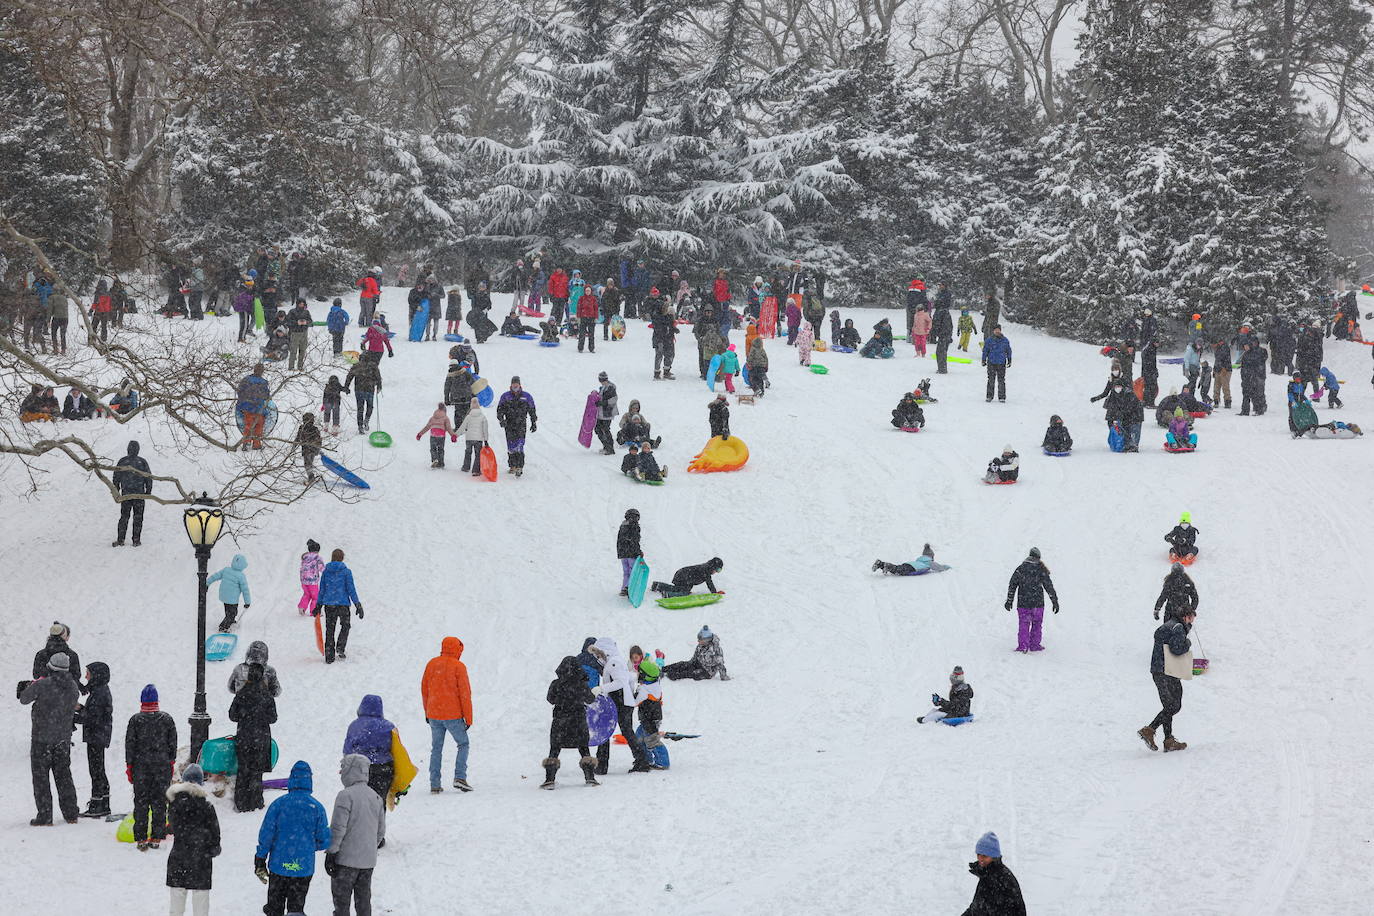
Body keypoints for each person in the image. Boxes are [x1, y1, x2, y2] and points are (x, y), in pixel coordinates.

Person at [255, 760, 332, 916]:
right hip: (303, 868)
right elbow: (323, 840)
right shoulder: (316, 807)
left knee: (274, 907)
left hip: (279, 866)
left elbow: (266, 834)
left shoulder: (278, 805)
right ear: (309, 780)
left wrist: (260, 856)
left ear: (291, 779)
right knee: (296, 908)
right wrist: (308, 845)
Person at [20, 652, 81, 826]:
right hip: (63, 739)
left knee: (41, 778)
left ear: (50, 667)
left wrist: (32, 686)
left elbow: (24, 698)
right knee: (64, 776)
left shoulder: (42, 685)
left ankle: (45, 815)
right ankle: (71, 813)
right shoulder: (73, 688)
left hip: (41, 739)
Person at [326, 754, 386, 915]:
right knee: (363, 902)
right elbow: (380, 832)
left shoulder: (345, 795)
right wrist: (369, 847)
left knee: (342, 904)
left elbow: (338, 828)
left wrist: (332, 852)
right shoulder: (376, 797)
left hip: (345, 861)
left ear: (350, 771)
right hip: (367, 862)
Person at [587, 638, 652, 774]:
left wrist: (601, 688)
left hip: (620, 703)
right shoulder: (615, 661)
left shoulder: (614, 662)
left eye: (599, 654)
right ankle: (640, 760)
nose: (598, 657)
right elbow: (628, 679)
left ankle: (640, 761)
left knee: (617, 732)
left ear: (605, 651)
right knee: (620, 732)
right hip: (620, 702)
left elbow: (620, 682)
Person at [126, 684, 178, 849]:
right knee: (159, 803)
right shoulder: (167, 719)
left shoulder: (135, 720)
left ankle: (141, 837)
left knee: (140, 803)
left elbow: (130, 745)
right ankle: (156, 836)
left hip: (141, 767)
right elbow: (172, 744)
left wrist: (130, 766)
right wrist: (170, 761)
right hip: (161, 766)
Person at [166, 764, 220, 916]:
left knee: (177, 898)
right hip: (201, 858)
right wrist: (212, 848)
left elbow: (173, 828)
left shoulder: (174, 804)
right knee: (200, 899)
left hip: (179, 856)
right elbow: (215, 834)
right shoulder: (207, 806)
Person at [421, 637, 474, 792]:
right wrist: (468, 718)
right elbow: (465, 694)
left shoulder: (432, 664)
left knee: (436, 748)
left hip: (434, 714)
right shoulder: (459, 666)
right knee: (463, 744)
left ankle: (435, 784)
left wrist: (427, 711)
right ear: (458, 650)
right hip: (453, 714)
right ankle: (460, 777)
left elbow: (424, 689)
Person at [1139, 609, 1196, 752]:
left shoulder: (1169, 625)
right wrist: (1187, 643)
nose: (1192, 621)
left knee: (1169, 705)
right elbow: (1176, 648)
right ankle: (1150, 730)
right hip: (1168, 671)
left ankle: (1168, 740)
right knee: (1173, 706)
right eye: (1191, 618)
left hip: (1158, 670)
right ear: (1184, 617)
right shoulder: (1178, 627)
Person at [541, 656, 600, 789]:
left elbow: (550, 699)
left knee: (555, 749)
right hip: (578, 721)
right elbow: (590, 699)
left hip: (560, 721)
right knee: (584, 748)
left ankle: (549, 779)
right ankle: (590, 777)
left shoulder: (556, 684)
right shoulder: (581, 684)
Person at [229, 663, 277, 813]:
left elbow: (232, 715)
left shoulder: (241, 694)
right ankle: (255, 801)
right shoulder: (266, 695)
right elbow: (273, 718)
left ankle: (241, 802)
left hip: (244, 738)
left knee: (243, 770)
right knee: (257, 772)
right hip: (261, 739)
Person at [76, 661, 112, 817]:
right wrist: (80, 709)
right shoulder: (100, 691)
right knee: (99, 769)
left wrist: (72, 716)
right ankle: (103, 802)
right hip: (99, 734)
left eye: (88, 673)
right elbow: (94, 715)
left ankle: (97, 804)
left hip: (96, 735)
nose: (85, 676)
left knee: (96, 770)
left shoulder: (98, 693)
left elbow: (91, 718)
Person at [1006, 547, 1059, 653]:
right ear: (1038, 557)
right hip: (1038, 604)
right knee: (1037, 624)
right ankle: (1034, 645)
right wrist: (1054, 601)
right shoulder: (1041, 569)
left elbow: (1012, 585)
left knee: (1024, 625)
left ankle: (1023, 646)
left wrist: (1009, 600)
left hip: (1023, 603)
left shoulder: (1020, 569)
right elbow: (1049, 586)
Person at [343, 695, 396, 801]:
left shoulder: (354, 726)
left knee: (359, 804)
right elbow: (396, 751)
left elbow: (347, 750)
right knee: (379, 804)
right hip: (382, 770)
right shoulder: (388, 726)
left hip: (358, 770)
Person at [961, 832, 1027, 916]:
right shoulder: (986, 875)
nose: (980, 859)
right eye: (978, 854)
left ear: (993, 856)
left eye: (984, 856)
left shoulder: (1002, 879)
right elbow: (976, 908)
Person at [316, 549, 363, 664]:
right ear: (342, 558)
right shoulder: (346, 572)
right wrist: (357, 604)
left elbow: (322, 589)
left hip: (329, 605)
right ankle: (340, 647)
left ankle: (329, 656)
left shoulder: (326, 572)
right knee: (345, 626)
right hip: (343, 605)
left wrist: (318, 604)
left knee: (330, 629)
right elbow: (351, 589)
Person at [111, 439, 152, 547]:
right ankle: (136, 540)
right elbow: (149, 477)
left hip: (127, 495)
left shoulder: (123, 461)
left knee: (124, 517)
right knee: (138, 518)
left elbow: (116, 477)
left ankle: (121, 540)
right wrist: (148, 491)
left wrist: (116, 489)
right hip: (139, 495)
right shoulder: (142, 462)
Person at [496, 376, 537, 477]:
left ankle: (520, 466)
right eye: (513, 384)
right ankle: (512, 465)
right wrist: (501, 420)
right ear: (511, 385)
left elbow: (532, 410)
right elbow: (500, 410)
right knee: (511, 446)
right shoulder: (505, 396)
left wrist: (533, 422)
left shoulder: (526, 396)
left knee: (519, 445)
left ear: (520, 385)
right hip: (509, 424)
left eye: (517, 385)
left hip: (521, 424)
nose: (515, 386)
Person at [207, 553, 252, 632]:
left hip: (224, 596)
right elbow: (245, 590)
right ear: (242, 566)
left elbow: (215, 576)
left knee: (228, 610)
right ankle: (223, 627)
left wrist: (207, 583)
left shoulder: (226, 570)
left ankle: (229, 620)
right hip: (232, 599)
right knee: (233, 613)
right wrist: (247, 602)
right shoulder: (241, 576)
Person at [236, 363, 271, 450]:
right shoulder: (263, 382)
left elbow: (240, 392)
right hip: (259, 408)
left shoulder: (246, 379)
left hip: (247, 407)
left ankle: (246, 443)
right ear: (262, 371)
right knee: (259, 426)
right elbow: (266, 396)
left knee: (248, 426)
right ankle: (256, 444)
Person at [343, 357, 382, 434]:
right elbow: (378, 377)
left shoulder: (357, 365)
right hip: (369, 389)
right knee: (370, 406)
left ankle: (360, 426)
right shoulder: (373, 366)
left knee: (360, 408)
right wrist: (379, 386)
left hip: (359, 389)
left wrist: (346, 387)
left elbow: (349, 376)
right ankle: (366, 420)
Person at [415, 401, 458, 469]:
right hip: (441, 434)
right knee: (440, 449)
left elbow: (427, 427)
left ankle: (435, 459)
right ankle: (441, 463)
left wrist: (420, 434)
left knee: (433, 449)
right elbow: (449, 428)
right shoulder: (445, 418)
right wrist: (453, 435)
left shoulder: (433, 417)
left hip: (433, 434)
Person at [651, 557, 724, 597]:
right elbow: (709, 583)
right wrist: (715, 593)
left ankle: (658, 585)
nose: (717, 572)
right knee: (684, 592)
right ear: (713, 566)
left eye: (719, 570)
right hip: (682, 576)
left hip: (683, 575)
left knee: (681, 589)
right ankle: (668, 594)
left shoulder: (706, 568)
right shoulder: (706, 570)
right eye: (717, 569)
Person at [1103, 381, 1144, 452]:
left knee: (1133, 429)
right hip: (1124, 416)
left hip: (1136, 415)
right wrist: (1112, 423)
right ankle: (1125, 443)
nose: (1117, 388)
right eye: (1116, 387)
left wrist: (1120, 416)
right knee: (1121, 428)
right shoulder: (1113, 395)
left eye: (1119, 386)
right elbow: (1109, 409)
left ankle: (1133, 445)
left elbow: (1129, 408)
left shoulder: (1129, 394)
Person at [872, 543, 950, 576]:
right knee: (898, 571)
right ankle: (887, 565)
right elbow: (939, 568)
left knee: (897, 570)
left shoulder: (920, 560)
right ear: (931, 556)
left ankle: (880, 564)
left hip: (909, 564)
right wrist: (948, 567)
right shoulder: (929, 562)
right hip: (912, 568)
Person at [459, 396, 489, 477]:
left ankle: (466, 467)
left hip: (469, 438)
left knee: (468, 452)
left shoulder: (468, 416)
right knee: (478, 454)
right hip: (478, 439)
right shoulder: (482, 416)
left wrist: (456, 435)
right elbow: (485, 429)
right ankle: (476, 470)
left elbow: (462, 427)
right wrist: (486, 440)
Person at [982, 325, 1012, 402]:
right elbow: (985, 350)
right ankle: (989, 396)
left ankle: (1002, 397)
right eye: (995, 330)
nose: (997, 331)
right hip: (991, 362)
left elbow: (1008, 350)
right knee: (991, 380)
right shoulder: (989, 340)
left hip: (1001, 363)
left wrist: (1009, 359)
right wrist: (983, 359)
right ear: (993, 331)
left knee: (1001, 380)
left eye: (998, 330)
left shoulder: (1005, 340)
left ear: (1000, 331)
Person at [1239, 339, 1268, 415]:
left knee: (1257, 393)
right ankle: (1245, 410)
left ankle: (1259, 409)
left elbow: (1260, 361)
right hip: (1247, 377)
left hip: (1257, 376)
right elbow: (1244, 366)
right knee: (1246, 393)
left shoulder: (1260, 351)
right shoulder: (1246, 354)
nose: (1245, 348)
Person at [617, 508, 642, 596]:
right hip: (631, 552)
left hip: (623, 553)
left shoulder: (623, 526)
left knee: (626, 571)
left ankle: (624, 587)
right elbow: (634, 541)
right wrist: (639, 552)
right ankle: (630, 588)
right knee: (633, 571)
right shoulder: (634, 525)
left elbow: (621, 540)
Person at [298, 539, 324, 615]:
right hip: (312, 582)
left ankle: (302, 607)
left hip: (304, 581)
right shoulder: (317, 557)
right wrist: (327, 571)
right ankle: (314, 611)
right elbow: (321, 567)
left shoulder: (305, 557)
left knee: (307, 594)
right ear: (317, 550)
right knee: (315, 597)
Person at [594, 371, 618, 454]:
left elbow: (614, 399)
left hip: (607, 413)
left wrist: (604, 403)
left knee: (605, 429)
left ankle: (610, 448)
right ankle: (606, 446)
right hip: (601, 413)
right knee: (598, 429)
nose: (602, 381)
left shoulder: (610, 387)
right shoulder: (602, 387)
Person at [285, 298, 312, 370]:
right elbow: (287, 322)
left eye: (303, 304)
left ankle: (300, 366)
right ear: (297, 304)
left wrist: (306, 322)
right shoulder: (292, 312)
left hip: (304, 333)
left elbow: (311, 322)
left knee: (303, 351)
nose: (302, 305)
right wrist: (296, 323)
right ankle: (291, 367)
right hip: (295, 333)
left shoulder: (306, 312)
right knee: (293, 351)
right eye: (300, 304)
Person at [931, 295, 954, 372]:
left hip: (942, 335)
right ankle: (943, 367)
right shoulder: (946, 312)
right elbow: (950, 325)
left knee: (940, 352)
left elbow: (936, 324)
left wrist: (933, 335)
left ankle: (942, 369)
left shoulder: (939, 312)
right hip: (947, 334)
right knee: (943, 352)